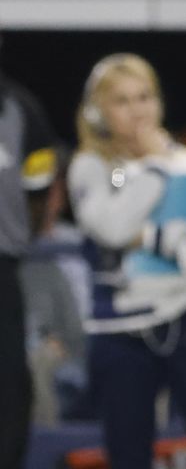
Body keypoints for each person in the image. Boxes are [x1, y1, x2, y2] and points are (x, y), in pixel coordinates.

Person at [67, 53, 186, 468]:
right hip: (122, 332)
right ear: (98, 112)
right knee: (128, 453)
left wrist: (164, 243)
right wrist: (153, 165)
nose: (137, 111)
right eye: (122, 101)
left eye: (144, 97)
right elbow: (113, 224)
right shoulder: (103, 169)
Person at [0, 51, 58, 469]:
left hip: (2, 264)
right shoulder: (104, 168)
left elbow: (40, 190)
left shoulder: (20, 108)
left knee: (9, 388)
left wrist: (20, 234)